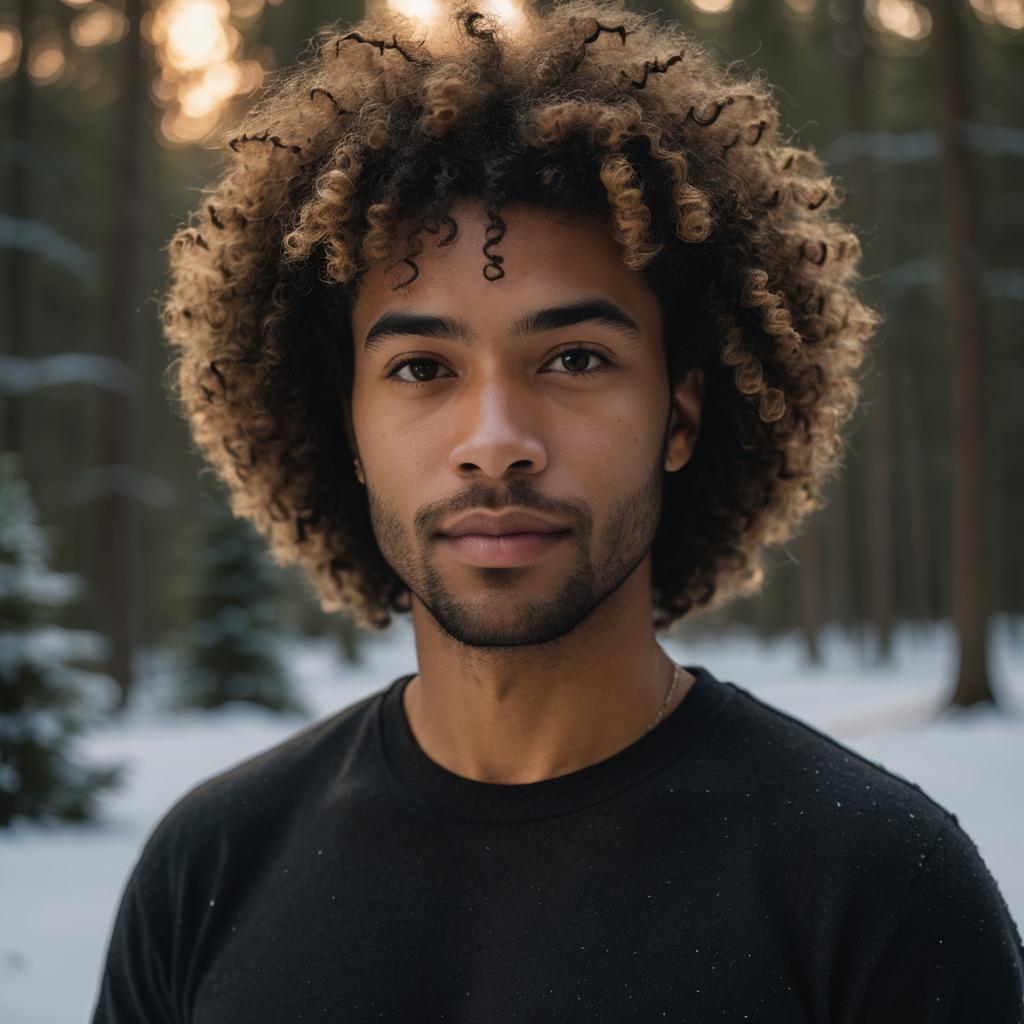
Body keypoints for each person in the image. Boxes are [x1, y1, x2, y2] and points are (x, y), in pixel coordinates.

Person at [92, 0, 1024, 1020]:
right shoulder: (209, 868)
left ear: (679, 415)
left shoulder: (876, 888)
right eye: (420, 367)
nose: (495, 438)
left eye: (575, 359)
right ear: (346, 430)